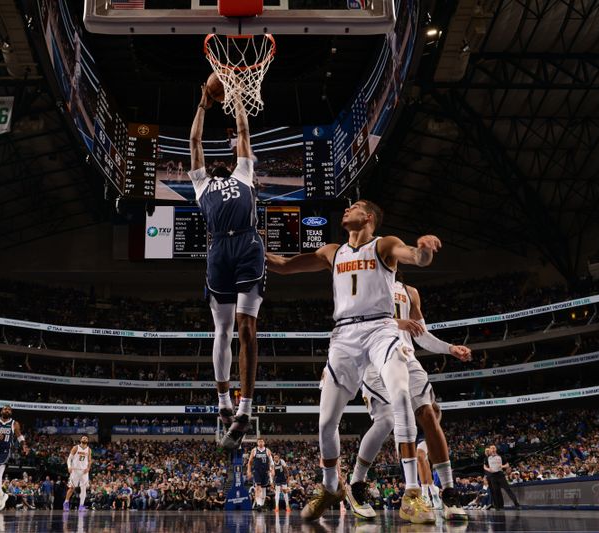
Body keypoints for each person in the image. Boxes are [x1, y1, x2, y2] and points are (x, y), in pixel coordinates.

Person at [266, 200, 442, 523]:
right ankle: (331, 487)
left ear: (369, 217)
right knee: (325, 421)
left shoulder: (384, 244)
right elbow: (285, 265)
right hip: (344, 335)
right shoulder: (334, 252)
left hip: (380, 328)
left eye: (356, 207)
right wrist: (255, 253)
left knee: (401, 395)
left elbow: (416, 257)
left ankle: (412, 494)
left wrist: (424, 249)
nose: (347, 209)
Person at [350, 278, 471, 521]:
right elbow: (355, 325)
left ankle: (448, 491)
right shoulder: (361, 282)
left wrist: (450, 348)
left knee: (428, 413)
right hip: (374, 359)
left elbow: (420, 334)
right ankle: (356, 484)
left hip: (406, 357)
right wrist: (395, 322)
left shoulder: (409, 291)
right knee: (385, 421)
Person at [189, 85, 265, 449]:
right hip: (219, 247)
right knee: (222, 330)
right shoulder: (201, 184)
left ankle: (246, 409)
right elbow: (194, 141)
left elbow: (244, 132)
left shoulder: (244, 174)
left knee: (246, 327)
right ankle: (222, 401)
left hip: (248, 243)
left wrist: (237, 98)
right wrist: (203, 106)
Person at [0, 405, 29, 512]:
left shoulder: (14, 423)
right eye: (5, 409)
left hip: (5, 450)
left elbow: (19, 436)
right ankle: (2, 495)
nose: (7, 411)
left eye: (9, 410)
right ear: (1, 411)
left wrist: (24, 445)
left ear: (11, 413)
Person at [484, 444, 520, 510]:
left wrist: (502, 466)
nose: (493, 449)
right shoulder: (487, 458)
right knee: (496, 491)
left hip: (500, 475)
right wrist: (488, 469)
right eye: (491, 448)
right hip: (493, 476)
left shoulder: (501, 456)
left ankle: (516, 504)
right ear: (490, 450)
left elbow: (507, 464)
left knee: (507, 489)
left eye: (494, 448)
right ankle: (498, 507)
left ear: (496, 449)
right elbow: (484, 466)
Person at [64, 435, 92, 511]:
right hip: (75, 470)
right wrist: (69, 467)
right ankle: (66, 502)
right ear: (80, 440)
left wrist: (88, 468)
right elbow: (69, 459)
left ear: (88, 440)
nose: (85, 439)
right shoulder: (76, 447)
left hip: (84, 471)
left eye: (86, 438)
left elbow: (89, 460)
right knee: (72, 488)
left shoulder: (89, 450)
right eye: (83, 438)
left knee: (83, 489)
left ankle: (81, 506)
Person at [247, 438, 274, 511]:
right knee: (258, 487)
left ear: (264, 443)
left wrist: (272, 470)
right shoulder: (254, 450)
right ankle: (258, 504)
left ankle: (261, 504)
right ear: (257, 443)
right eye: (259, 442)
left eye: (262, 441)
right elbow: (249, 462)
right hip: (257, 471)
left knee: (264, 489)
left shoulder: (267, 450)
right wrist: (249, 471)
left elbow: (271, 462)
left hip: (265, 471)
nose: (261, 443)